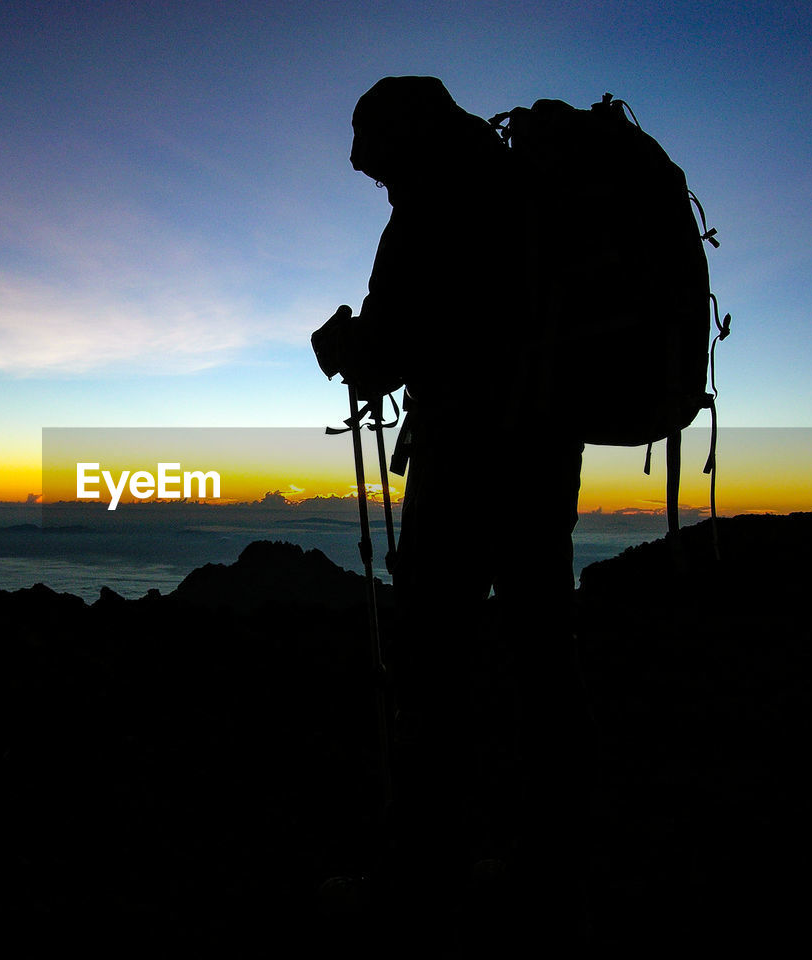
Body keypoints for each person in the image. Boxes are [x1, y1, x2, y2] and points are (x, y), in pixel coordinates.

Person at [312, 76, 595, 939]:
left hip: (467, 461)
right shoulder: (523, 186)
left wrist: (344, 346)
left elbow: (392, 348)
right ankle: (556, 858)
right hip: (545, 455)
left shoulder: (436, 202)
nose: (379, 184)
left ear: (400, 140)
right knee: (544, 650)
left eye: (378, 166)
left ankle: (424, 875)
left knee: (433, 660)